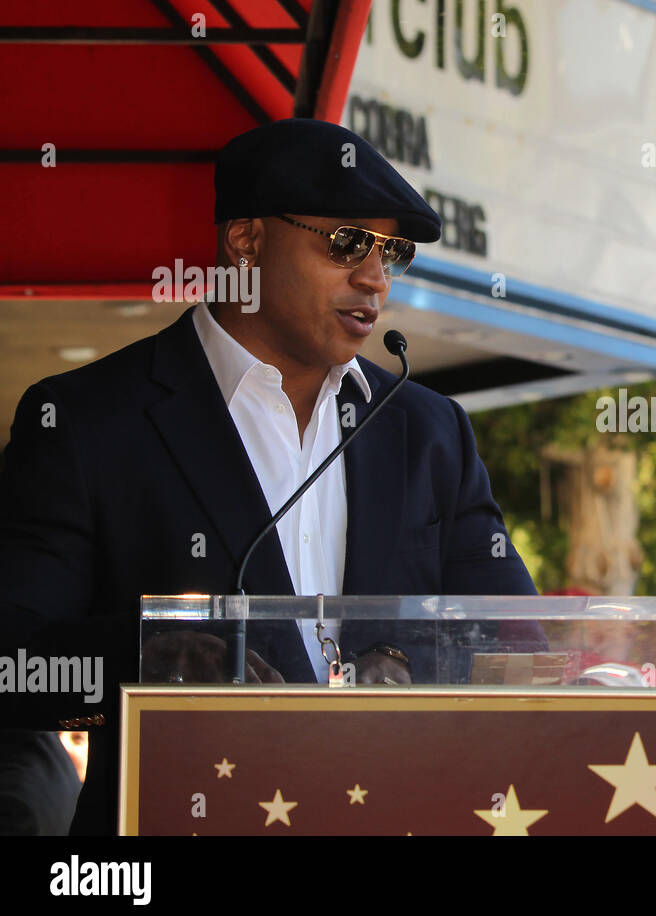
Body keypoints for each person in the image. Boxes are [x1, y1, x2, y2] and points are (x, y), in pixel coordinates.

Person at [0, 119, 538, 834]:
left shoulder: (428, 429)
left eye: (393, 252)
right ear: (246, 240)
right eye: (348, 243)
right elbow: (16, 669)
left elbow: (520, 641)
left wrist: (410, 655)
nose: (375, 277)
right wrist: (157, 658)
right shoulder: (87, 421)